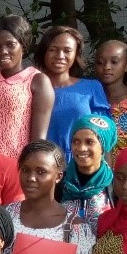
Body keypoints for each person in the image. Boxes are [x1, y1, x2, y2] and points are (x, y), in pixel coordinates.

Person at [0, 14, 53, 156]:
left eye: (10, 44)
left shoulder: (37, 81)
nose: (3, 51)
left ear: (23, 45)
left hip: (15, 164)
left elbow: (38, 140)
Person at [37, 26, 109, 163]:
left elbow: (105, 135)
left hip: (82, 167)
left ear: (76, 55)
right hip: (44, 166)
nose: (60, 56)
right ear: (44, 52)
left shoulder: (91, 88)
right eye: (53, 50)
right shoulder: (30, 88)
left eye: (67, 50)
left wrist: (107, 174)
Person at [61, 114, 118, 227]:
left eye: (89, 142)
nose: (81, 148)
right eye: (76, 141)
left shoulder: (115, 184)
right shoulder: (59, 181)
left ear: (103, 147)